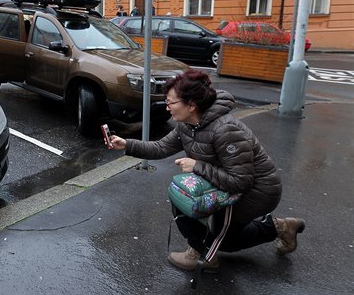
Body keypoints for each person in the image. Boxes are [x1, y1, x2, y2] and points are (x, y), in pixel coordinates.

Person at [108, 69, 305, 272]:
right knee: (187, 202)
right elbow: (161, 147)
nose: (167, 108)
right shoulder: (187, 125)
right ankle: (280, 227)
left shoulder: (226, 130)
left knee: (223, 239)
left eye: (170, 103)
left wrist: (198, 166)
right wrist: (127, 144)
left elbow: (241, 181)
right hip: (226, 183)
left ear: (191, 105)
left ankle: (204, 256)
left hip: (257, 191)